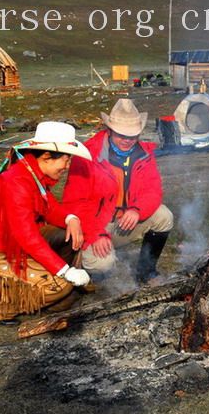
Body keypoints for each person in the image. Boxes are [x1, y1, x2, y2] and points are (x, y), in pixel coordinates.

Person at [0, 121, 92, 325]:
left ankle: (39, 289)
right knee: (60, 287)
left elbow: (49, 206)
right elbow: (25, 235)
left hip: (14, 245)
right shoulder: (16, 181)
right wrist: (65, 271)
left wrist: (71, 218)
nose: (67, 167)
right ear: (47, 156)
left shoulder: (32, 173)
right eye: (66, 160)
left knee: (66, 234)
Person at [62, 99, 173, 285]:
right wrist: (96, 233)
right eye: (122, 135)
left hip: (123, 222)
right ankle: (81, 263)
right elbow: (75, 202)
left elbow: (153, 190)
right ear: (110, 129)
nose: (127, 141)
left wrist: (137, 210)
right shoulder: (89, 155)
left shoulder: (144, 154)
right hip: (94, 225)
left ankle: (146, 272)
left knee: (164, 216)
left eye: (133, 136)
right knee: (102, 266)